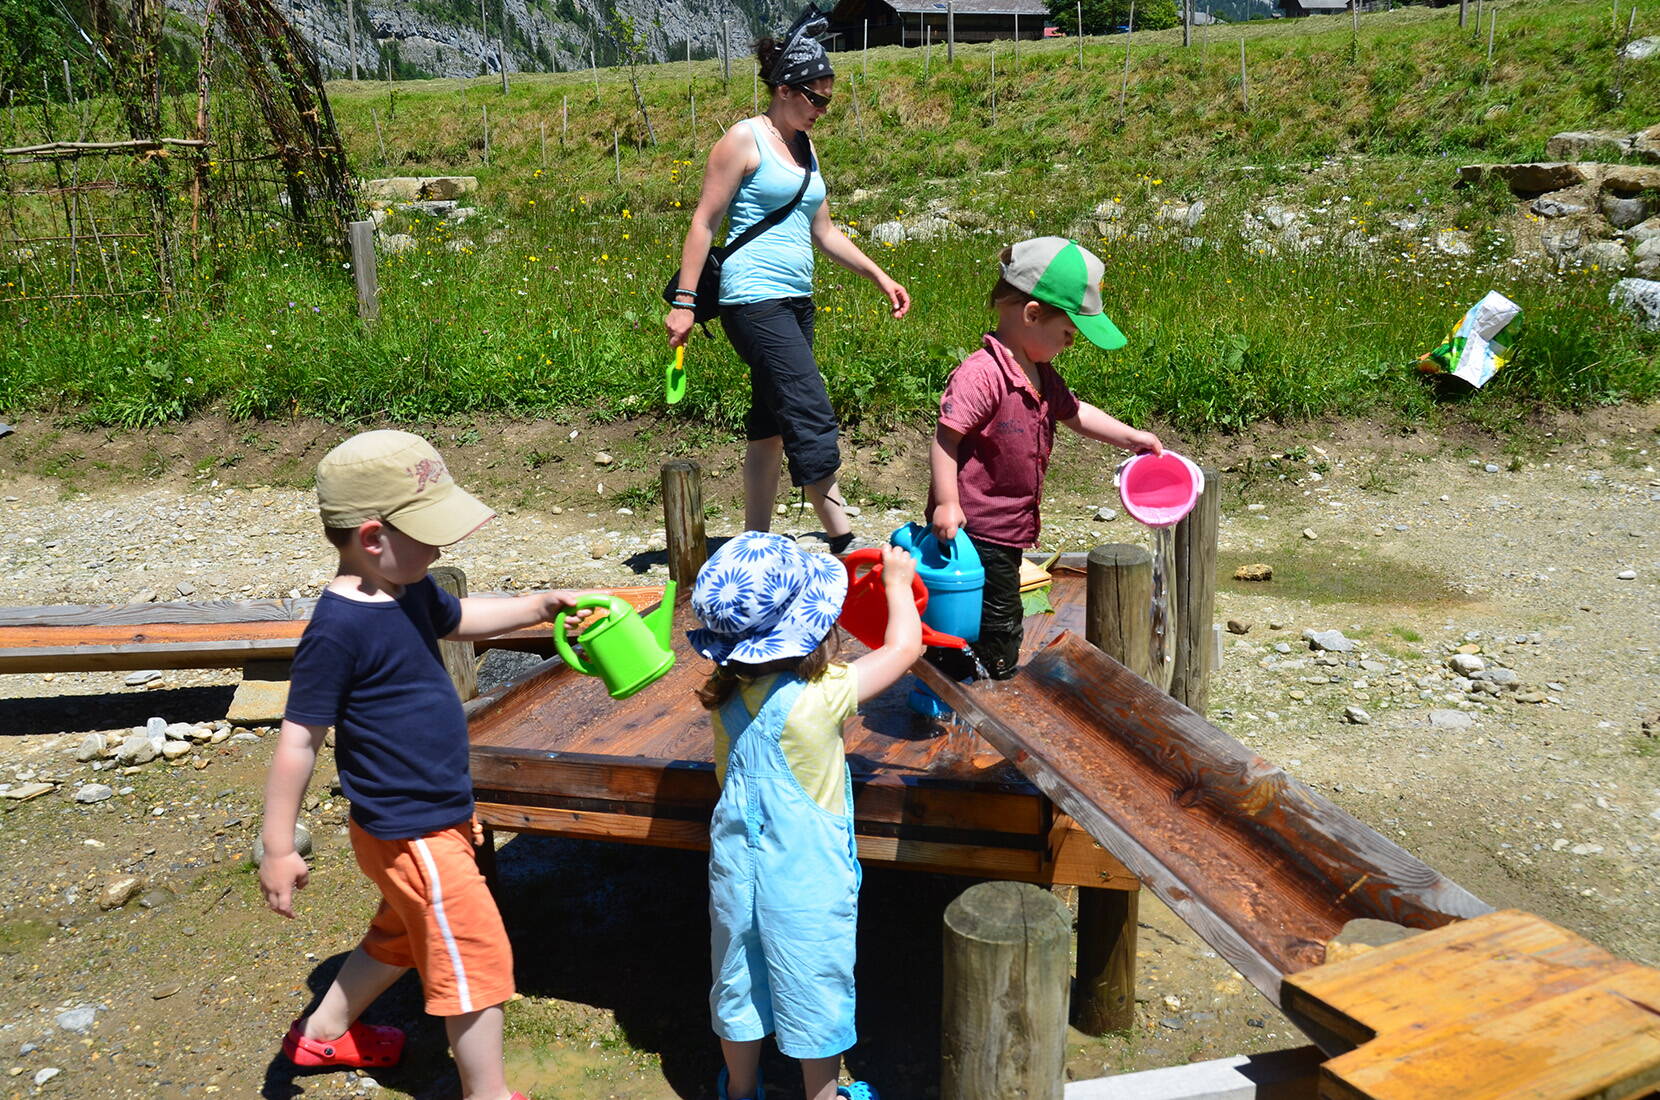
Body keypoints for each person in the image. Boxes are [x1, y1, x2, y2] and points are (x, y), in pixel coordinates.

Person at [259, 429, 583, 1100]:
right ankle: (486, 1093)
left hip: (436, 817)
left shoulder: (409, 589)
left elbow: (459, 615)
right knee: (474, 957)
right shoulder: (337, 629)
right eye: (430, 535)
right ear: (373, 539)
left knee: (406, 931)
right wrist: (277, 846)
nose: (441, 549)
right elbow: (298, 739)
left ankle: (324, 1031)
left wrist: (537, 609)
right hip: (410, 827)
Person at [665, 8, 911, 556]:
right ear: (783, 88)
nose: (823, 109)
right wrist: (684, 303)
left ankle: (755, 542)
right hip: (751, 299)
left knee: (772, 418)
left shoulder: (805, 145)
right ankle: (844, 540)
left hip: (796, 299)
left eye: (828, 99)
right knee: (808, 407)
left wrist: (879, 274)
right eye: (815, 98)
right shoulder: (742, 139)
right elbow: (704, 220)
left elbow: (822, 230)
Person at [689, 531, 924, 1100]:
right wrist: (895, 585)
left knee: (738, 978)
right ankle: (822, 1096)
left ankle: (742, 1090)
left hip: (735, 867)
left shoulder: (722, 697)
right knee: (812, 976)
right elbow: (903, 649)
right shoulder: (825, 693)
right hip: (806, 873)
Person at [928, 237, 1164, 681]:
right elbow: (945, 440)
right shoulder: (983, 374)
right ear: (1032, 314)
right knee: (990, 626)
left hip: (1007, 530)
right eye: (1068, 335)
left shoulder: (1039, 373)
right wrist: (946, 502)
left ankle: (972, 677)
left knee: (995, 616)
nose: (1070, 345)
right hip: (973, 529)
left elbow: (1076, 412)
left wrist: (1129, 437)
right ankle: (975, 689)